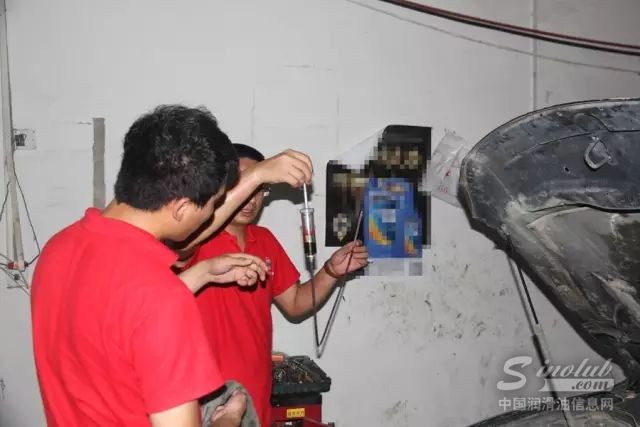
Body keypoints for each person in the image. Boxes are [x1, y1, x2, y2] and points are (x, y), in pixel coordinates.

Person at [30, 105, 313, 427]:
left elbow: (122, 321)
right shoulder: (162, 299)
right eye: (213, 205)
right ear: (182, 208)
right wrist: (229, 419)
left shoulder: (59, 248)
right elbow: (151, 307)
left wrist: (202, 272)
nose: (212, 216)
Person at [182, 143, 369, 426]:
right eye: (244, 183)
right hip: (202, 398)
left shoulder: (265, 240)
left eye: (260, 188)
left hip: (256, 390)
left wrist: (331, 271)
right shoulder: (192, 239)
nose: (251, 198)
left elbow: (294, 304)